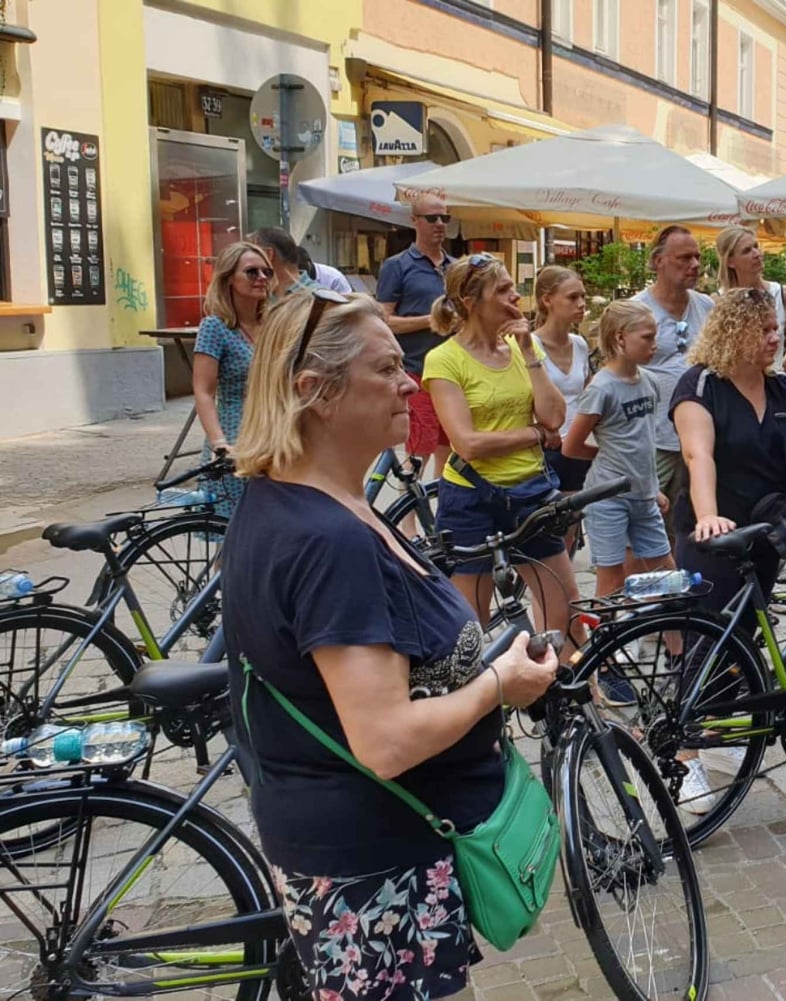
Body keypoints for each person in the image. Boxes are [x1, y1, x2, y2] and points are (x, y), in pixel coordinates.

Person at [222, 289, 559, 1000]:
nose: (409, 381)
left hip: (362, 853)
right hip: (372, 871)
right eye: (384, 369)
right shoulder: (328, 538)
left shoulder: (295, 497)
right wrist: (500, 685)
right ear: (317, 393)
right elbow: (386, 741)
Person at [671, 287, 786, 811]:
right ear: (733, 331)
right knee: (705, 639)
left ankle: (718, 728)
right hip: (711, 533)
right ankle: (685, 759)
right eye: (763, 330)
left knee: (738, 639)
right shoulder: (701, 385)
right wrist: (709, 514)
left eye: (776, 329)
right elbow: (699, 456)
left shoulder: (780, 390)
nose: (774, 339)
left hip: (764, 534)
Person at [424, 254, 583, 652]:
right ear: (470, 299)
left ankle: (557, 696)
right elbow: (468, 443)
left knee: (562, 606)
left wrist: (529, 351)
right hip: (471, 497)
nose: (516, 295)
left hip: (531, 491)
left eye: (514, 285)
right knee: (468, 621)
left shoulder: (520, 348)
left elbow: (555, 416)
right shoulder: (444, 359)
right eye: (503, 289)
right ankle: (478, 700)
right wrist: (532, 433)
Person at [563, 301, 674, 599]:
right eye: (647, 337)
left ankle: (677, 646)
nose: (655, 344)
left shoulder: (649, 381)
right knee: (611, 583)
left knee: (667, 578)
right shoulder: (602, 388)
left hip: (644, 496)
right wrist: (606, 458)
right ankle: (605, 643)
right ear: (621, 338)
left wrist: (652, 487)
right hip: (607, 498)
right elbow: (571, 446)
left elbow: (644, 441)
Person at [634, 226, 715, 533]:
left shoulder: (706, 306)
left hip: (700, 436)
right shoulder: (637, 310)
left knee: (691, 523)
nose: (694, 264)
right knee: (648, 523)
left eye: (697, 257)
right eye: (684, 257)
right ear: (658, 261)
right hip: (654, 437)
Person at [192, 241, 271, 520]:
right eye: (252, 272)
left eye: (266, 272)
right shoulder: (215, 327)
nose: (262, 278)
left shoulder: (273, 323)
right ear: (229, 279)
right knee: (231, 537)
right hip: (236, 438)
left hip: (273, 436)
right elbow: (203, 392)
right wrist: (220, 443)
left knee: (272, 533)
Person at [379, 192, 456, 477]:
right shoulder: (398, 266)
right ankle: (408, 520)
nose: (439, 224)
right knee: (419, 449)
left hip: (452, 371)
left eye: (444, 218)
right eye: (432, 218)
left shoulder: (455, 267)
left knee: (449, 448)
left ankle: (439, 513)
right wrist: (431, 320)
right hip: (415, 369)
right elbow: (384, 320)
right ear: (414, 221)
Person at [530, 265, 592, 496]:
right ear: (548, 300)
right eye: (572, 297)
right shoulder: (529, 346)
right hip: (547, 447)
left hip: (578, 444)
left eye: (583, 297)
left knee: (575, 520)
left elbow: (585, 394)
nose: (581, 304)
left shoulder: (580, 343)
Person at [714, 225, 786, 371]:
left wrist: (779, 368)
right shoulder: (717, 302)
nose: (757, 253)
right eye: (747, 251)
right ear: (730, 261)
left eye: (756, 246)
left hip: (774, 389)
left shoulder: (784, 295)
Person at [249, 227, 320, 301]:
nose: (249, 260)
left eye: (254, 253)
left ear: (269, 254)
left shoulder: (318, 299)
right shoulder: (262, 298)